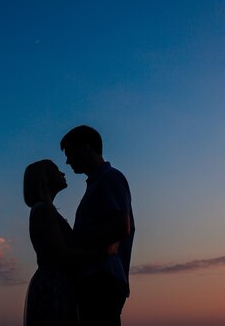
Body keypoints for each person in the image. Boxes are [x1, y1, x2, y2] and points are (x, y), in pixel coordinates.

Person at [23, 159, 116, 326]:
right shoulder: (44, 210)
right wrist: (103, 253)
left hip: (54, 281)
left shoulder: (42, 209)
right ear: (45, 178)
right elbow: (62, 254)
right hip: (54, 284)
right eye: (57, 170)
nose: (63, 173)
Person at [60, 125, 135, 326]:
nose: (67, 161)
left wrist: (76, 246)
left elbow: (122, 227)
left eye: (70, 153)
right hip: (97, 278)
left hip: (102, 279)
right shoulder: (98, 182)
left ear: (85, 147)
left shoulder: (110, 178)